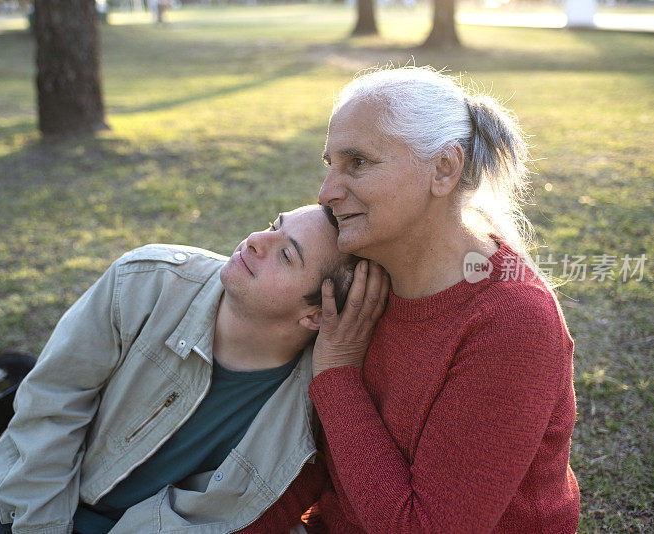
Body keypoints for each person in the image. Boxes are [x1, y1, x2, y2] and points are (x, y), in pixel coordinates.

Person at [246, 67, 580, 532]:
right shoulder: (367, 275)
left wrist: (338, 372)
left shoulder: (514, 324)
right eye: (331, 165)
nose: (326, 193)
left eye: (358, 162)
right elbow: (314, 462)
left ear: (443, 168)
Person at [0, 204, 370, 534]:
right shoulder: (144, 282)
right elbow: (50, 409)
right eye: (272, 225)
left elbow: (216, 517)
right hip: (30, 501)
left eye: (286, 254)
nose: (256, 241)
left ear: (316, 315)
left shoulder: (308, 413)